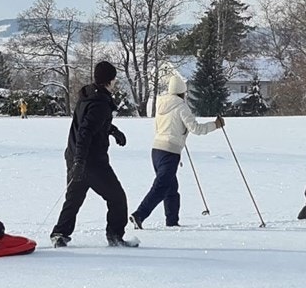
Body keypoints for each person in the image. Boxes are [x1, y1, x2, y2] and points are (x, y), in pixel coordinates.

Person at [51, 61, 133, 248]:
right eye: (114, 79)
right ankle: (115, 236)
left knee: (74, 198)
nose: (115, 82)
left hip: (74, 155)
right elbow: (85, 132)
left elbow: (90, 124)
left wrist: (113, 131)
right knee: (117, 198)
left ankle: (60, 234)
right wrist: (80, 162)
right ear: (109, 80)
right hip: (91, 161)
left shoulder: (88, 96)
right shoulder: (100, 103)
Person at [129, 74, 222, 229]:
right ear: (182, 92)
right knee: (161, 187)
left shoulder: (160, 105)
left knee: (171, 188)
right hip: (170, 152)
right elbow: (196, 129)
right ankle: (139, 215)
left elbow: (159, 128)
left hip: (156, 150)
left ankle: (172, 222)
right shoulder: (181, 107)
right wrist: (215, 125)